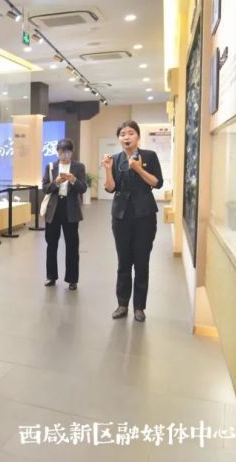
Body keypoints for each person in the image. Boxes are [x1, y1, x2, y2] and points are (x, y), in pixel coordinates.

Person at [103, 120, 164, 323]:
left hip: (144, 215)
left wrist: (138, 169)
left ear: (137, 136)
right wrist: (108, 169)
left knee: (141, 262)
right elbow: (110, 188)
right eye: (122, 134)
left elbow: (157, 183)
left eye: (130, 133)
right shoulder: (115, 159)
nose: (126, 137)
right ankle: (122, 304)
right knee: (123, 262)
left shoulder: (149, 156)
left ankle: (139, 307)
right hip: (121, 216)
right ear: (119, 139)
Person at [42, 138, 87, 291]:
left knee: (72, 245)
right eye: (61, 153)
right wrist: (56, 182)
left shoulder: (79, 167)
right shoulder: (50, 166)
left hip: (71, 208)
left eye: (67, 153)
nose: (64, 156)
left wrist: (73, 180)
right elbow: (45, 188)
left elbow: (83, 188)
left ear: (72, 152)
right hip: (53, 209)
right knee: (51, 244)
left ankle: (72, 279)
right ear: (57, 152)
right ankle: (51, 276)